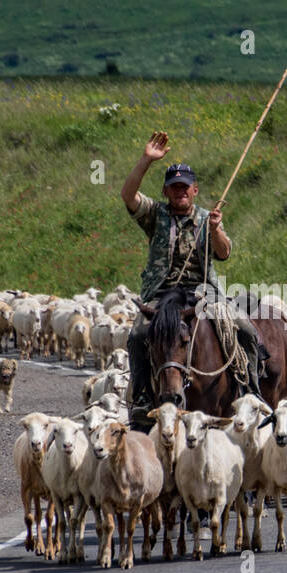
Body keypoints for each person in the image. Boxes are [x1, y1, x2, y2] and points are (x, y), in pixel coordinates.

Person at [120, 130, 268, 426]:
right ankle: (142, 399)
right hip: (162, 294)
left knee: (246, 331)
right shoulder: (154, 215)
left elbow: (224, 253)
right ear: (165, 191)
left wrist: (215, 231)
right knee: (137, 336)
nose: (180, 192)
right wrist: (146, 160)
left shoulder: (207, 218)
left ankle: (251, 390)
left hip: (203, 293)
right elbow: (128, 194)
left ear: (195, 190)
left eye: (185, 187)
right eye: (174, 187)